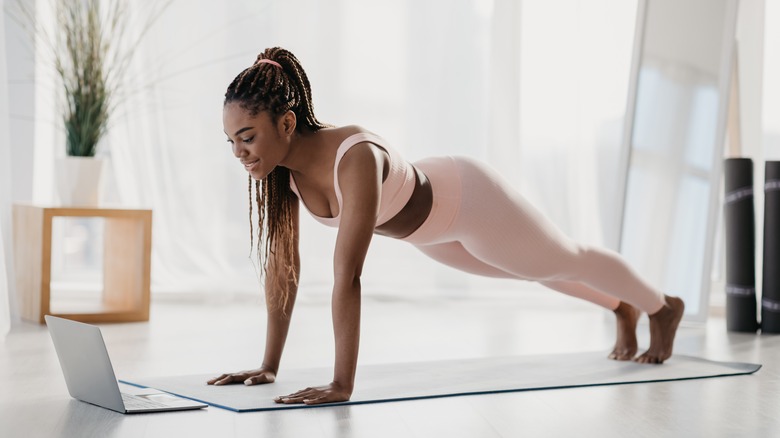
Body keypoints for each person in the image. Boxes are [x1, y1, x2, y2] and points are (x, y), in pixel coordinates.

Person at [207, 47, 685, 405]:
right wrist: (269, 366)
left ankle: (661, 308)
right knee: (533, 271)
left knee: (563, 259)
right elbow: (282, 271)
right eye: (231, 141)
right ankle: (622, 306)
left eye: (247, 138)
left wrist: (341, 384)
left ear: (287, 123)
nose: (238, 154)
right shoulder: (282, 178)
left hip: (468, 200)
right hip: (428, 235)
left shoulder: (354, 157)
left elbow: (347, 275)